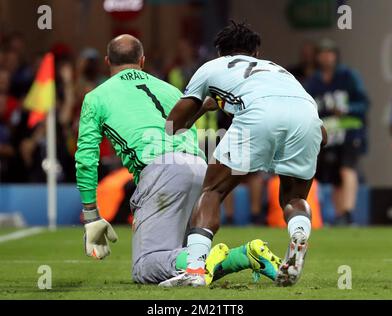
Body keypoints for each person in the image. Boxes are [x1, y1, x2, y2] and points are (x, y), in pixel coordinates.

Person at [75, 34, 280, 285]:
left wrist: (91, 215)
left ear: (108, 61)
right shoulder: (170, 90)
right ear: (142, 60)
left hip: (161, 171)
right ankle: (245, 256)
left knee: (146, 266)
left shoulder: (96, 97)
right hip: (197, 165)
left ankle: (210, 258)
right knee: (183, 265)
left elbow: (86, 158)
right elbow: (185, 129)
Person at [163, 22, 326, 287]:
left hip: (257, 117)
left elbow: (173, 125)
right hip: (307, 119)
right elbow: (324, 135)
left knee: (212, 191)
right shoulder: (280, 71)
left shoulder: (212, 67)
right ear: (256, 54)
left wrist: (204, 108)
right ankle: (298, 233)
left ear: (220, 53)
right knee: (294, 197)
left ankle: (194, 272)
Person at [306, 39, 370, 225]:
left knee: (347, 168)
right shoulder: (314, 82)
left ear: (335, 56)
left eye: (330, 53)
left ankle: (348, 211)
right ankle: (339, 215)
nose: (326, 57)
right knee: (334, 176)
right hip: (329, 133)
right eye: (322, 53)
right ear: (317, 57)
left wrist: (347, 109)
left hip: (350, 131)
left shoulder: (348, 76)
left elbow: (363, 103)